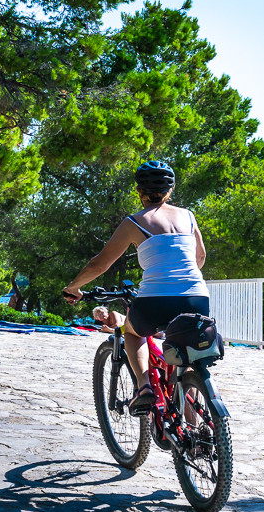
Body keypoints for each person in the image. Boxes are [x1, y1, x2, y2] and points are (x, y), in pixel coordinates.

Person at [62, 160, 207, 412]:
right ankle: (195, 424)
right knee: (187, 357)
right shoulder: (188, 216)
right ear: (170, 190)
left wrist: (73, 287)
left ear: (139, 191)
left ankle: (144, 386)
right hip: (197, 297)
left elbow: (99, 264)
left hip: (155, 300)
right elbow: (200, 257)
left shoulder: (134, 222)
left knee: (132, 331)